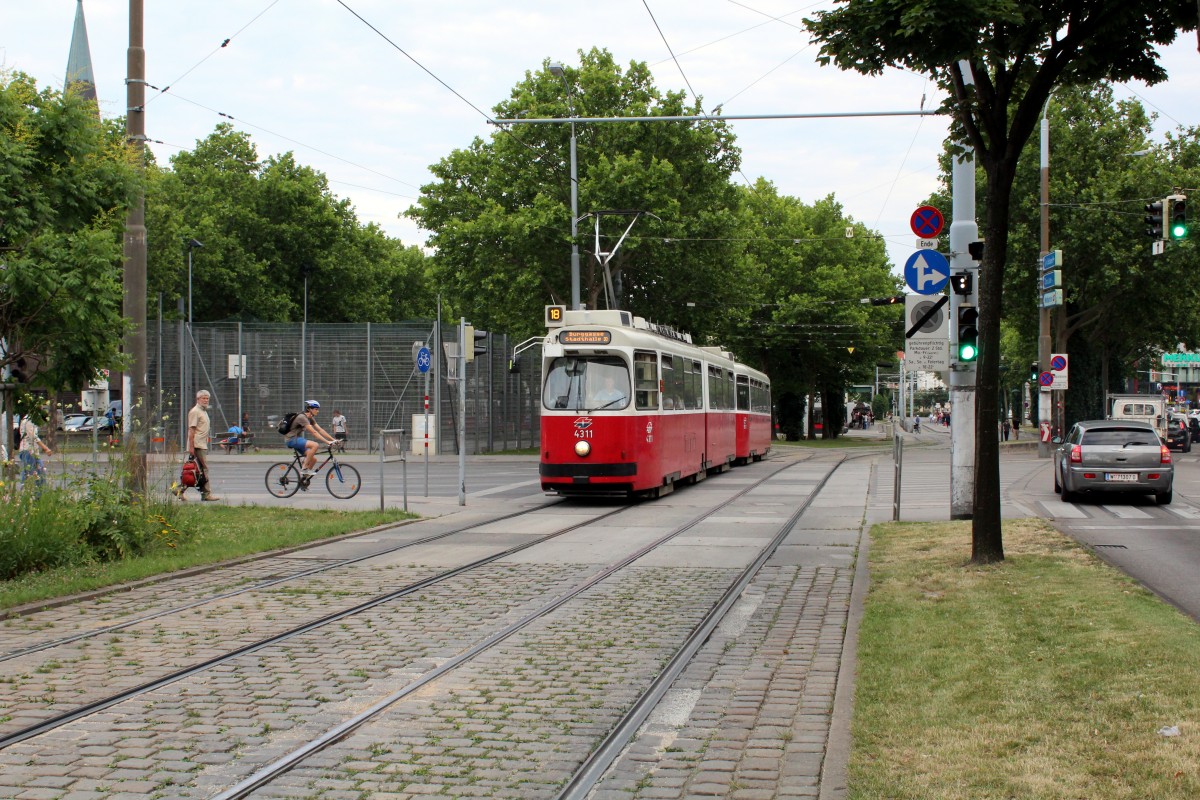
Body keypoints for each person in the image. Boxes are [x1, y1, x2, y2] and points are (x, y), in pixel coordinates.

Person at [176, 389, 219, 501]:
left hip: (201, 444)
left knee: (195, 470)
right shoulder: (195, 411)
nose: (205, 400)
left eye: (207, 398)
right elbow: (191, 430)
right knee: (203, 470)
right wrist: (191, 447)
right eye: (203, 398)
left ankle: (179, 490)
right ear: (198, 399)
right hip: (197, 445)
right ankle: (206, 494)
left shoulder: (203, 411)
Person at [285, 400, 338, 477]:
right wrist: (327, 442)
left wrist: (333, 440)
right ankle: (304, 468)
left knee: (313, 460)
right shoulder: (302, 417)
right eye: (316, 409)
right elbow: (314, 432)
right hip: (291, 439)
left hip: (297, 439)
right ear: (310, 409)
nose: (318, 411)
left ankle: (304, 481)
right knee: (315, 445)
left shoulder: (310, 418)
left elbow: (320, 430)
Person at [18, 411, 53, 488]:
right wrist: (46, 448)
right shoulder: (29, 421)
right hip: (28, 450)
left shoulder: (29, 420)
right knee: (31, 473)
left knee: (38, 473)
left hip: (32, 451)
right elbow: (33, 436)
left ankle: (38, 494)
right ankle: (27, 492)